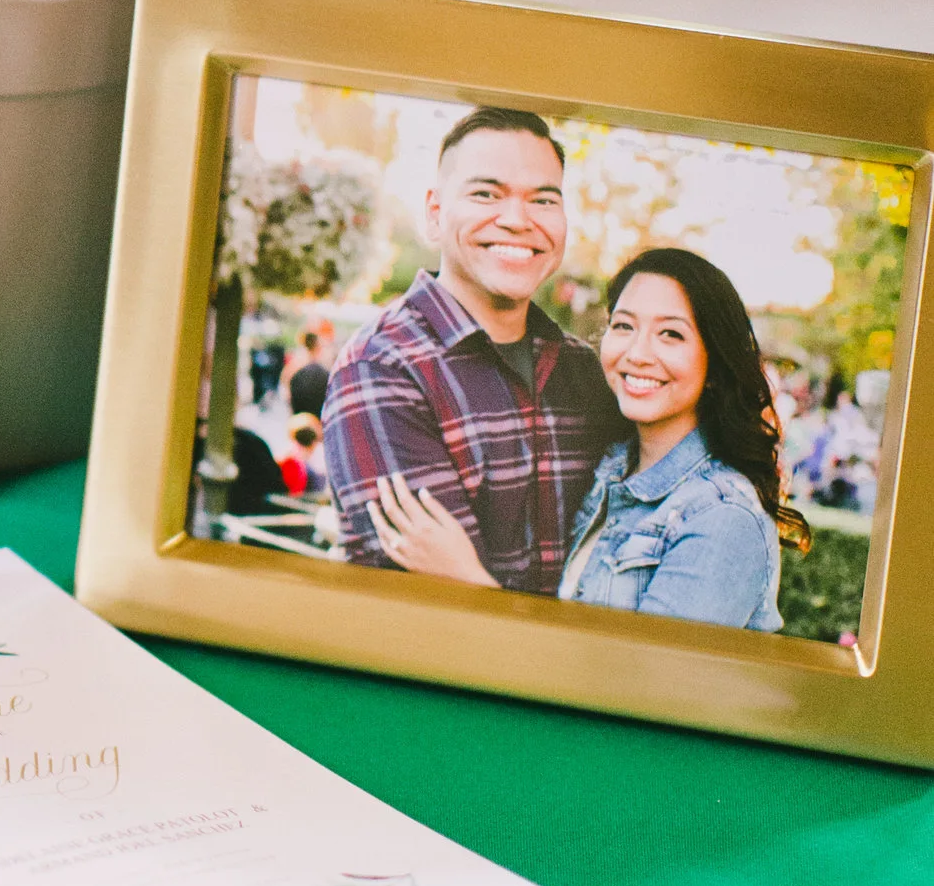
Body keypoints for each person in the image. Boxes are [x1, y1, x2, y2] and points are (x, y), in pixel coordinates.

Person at [370, 245, 802, 633]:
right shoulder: (608, 470)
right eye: (624, 326)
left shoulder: (722, 517)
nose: (637, 353)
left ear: (715, 364)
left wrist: (470, 584)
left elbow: (635, 700)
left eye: (670, 334)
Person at [322, 106, 615, 594]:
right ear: (435, 214)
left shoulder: (585, 372)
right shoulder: (381, 370)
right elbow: (436, 612)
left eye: (544, 200)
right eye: (486, 194)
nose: (518, 220)